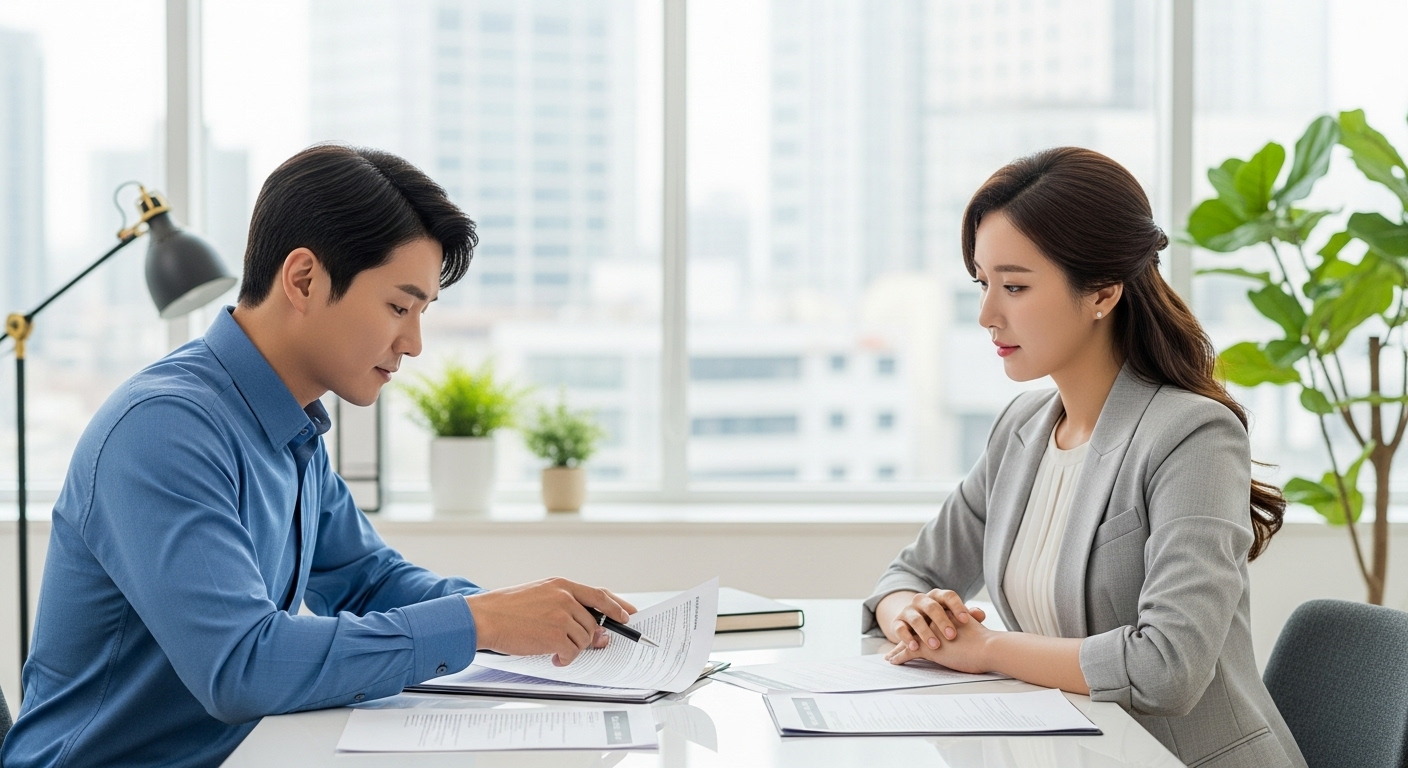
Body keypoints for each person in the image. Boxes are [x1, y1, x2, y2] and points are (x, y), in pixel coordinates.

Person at [1, 144, 636, 768]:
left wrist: (529, 617)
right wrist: (479, 622)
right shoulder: (165, 430)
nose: (413, 343)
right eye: (398, 306)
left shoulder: (290, 426)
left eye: (422, 312)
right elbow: (242, 665)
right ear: (304, 279)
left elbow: (369, 581)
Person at [865, 147, 1307, 767]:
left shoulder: (1193, 436)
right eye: (983, 284)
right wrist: (915, 616)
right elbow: (903, 580)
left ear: (1101, 292)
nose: (989, 315)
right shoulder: (1021, 430)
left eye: (1014, 286)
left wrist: (987, 647)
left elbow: (1167, 668)